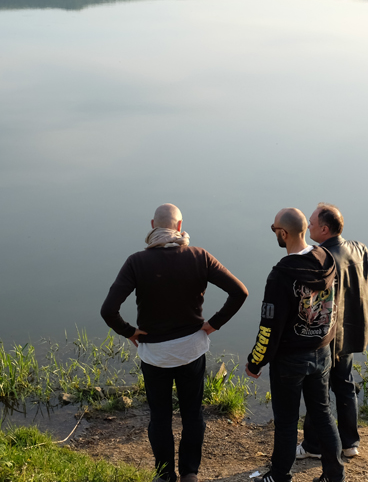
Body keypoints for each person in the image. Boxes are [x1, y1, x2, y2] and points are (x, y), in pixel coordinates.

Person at [101, 203, 248, 482]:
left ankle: (164, 474)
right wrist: (213, 324)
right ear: (180, 227)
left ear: (153, 225)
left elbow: (108, 310)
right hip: (191, 349)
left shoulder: (136, 262)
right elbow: (239, 292)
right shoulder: (199, 256)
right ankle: (190, 473)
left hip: (154, 354)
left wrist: (129, 331)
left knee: (160, 416)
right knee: (193, 414)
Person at [246, 207, 345, 482]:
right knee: (323, 414)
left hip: (290, 359)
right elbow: (335, 306)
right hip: (322, 351)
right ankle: (334, 475)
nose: (275, 232)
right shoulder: (327, 258)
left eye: (274, 228)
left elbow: (269, 327)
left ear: (284, 233)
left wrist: (256, 361)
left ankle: (279, 476)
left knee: (287, 422)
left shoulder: (280, 275)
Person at [297, 203, 368, 460]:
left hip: (325, 338)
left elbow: (308, 303)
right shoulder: (359, 249)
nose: (308, 226)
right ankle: (350, 444)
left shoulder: (318, 257)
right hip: (350, 333)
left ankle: (313, 446)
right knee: (345, 386)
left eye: (312, 223)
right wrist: (360, 303)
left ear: (324, 229)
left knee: (318, 391)